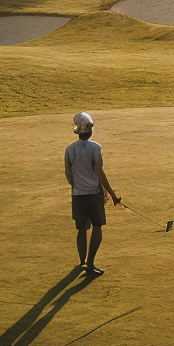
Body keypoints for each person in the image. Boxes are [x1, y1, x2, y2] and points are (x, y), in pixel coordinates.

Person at [64, 111, 120, 276]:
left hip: (78, 195)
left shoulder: (69, 149)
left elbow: (69, 175)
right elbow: (99, 172)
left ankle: (82, 262)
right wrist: (112, 194)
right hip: (93, 195)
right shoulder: (95, 147)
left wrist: (78, 187)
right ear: (90, 130)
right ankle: (90, 264)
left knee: (82, 228)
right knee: (97, 227)